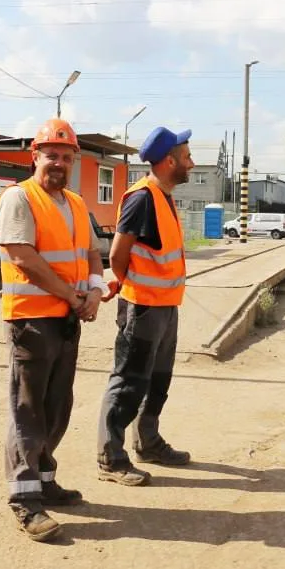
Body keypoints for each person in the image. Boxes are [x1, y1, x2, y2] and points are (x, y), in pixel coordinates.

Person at [0, 117, 103, 542]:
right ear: (34, 156)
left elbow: (93, 253)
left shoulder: (75, 203)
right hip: (31, 319)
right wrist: (73, 297)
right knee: (28, 410)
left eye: (65, 156)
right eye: (51, 155)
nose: (58, 162)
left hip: (67, 319)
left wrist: (94, 290)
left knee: (57, 407)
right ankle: (25, 499)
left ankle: (44, 478)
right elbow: (23, 257)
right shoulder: (19, 199)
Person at [96, 126, 194, 485]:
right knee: (128, 383)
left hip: (166, 306)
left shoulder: (163, 195)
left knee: (158, 381)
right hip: (143, 308)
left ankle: (148, 441)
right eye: (186, 158)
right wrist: (127, 286)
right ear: (169, 161)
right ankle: (111, 456)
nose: (191, 163)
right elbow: (118, 255)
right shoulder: (142, 198)